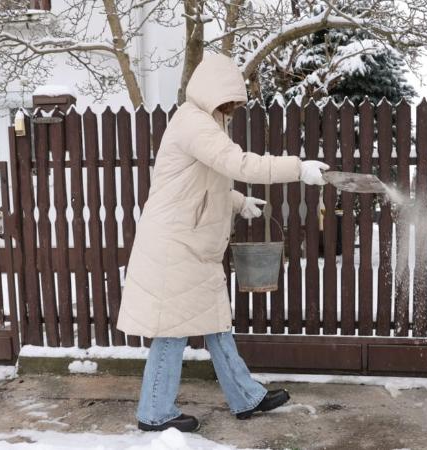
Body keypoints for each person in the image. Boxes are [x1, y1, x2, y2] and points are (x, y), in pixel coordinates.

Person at [117, 53, 329, 433]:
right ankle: (153, 412)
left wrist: (240, 202)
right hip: (175, 247)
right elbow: (239, 165)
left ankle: (246, 396)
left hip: (193, 247)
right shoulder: (193, 124)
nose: (231, 109)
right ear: (212, 92)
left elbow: (200, 184)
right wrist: (298, 169)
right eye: (228, 101)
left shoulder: (204, 124)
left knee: (217, 324)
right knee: (172, 331)